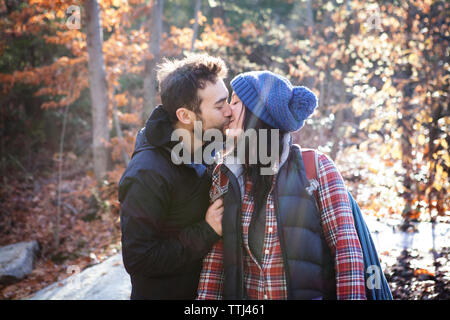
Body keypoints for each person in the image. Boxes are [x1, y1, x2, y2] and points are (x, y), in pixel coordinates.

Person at [197, 71, 367, 300]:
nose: (227, 110)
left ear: (258, 116)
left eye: (236, 102)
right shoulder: (225, 174)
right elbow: (216, 262)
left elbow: (347, 254)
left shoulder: (317, 167)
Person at [118, 54, 232, 299]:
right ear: (186, 116)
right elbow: (139, 259)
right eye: (219, 105)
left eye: (228, 101)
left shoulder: (208, 147)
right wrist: (207, 230)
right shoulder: (148, 173)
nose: (229, 111)